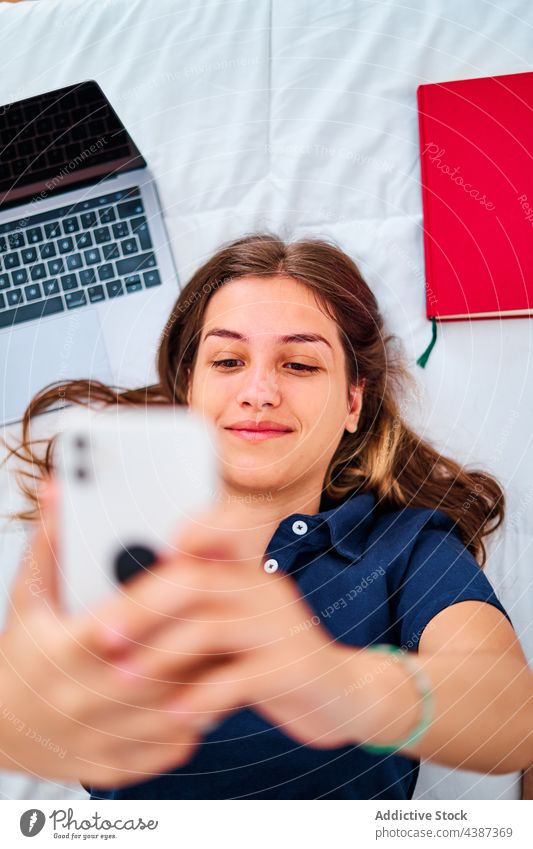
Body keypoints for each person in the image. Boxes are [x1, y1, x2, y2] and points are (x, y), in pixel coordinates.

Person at [2, 233, 532, 799]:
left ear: (353, 403)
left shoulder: (402, 548)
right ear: (189, 387)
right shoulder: (109, 539)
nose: (259, 391)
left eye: (300, 365)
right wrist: (21, 730)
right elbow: (27, 721)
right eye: (228, 361)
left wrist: (340, 685)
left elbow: (510, 716)